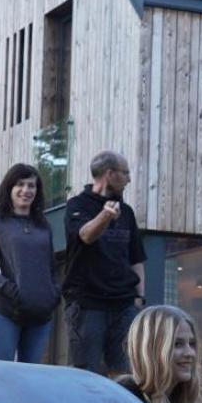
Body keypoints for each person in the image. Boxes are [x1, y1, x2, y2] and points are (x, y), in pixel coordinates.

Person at [63, 151, 144, 376]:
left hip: (124, 305)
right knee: (86, 374)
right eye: (125, 173)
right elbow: (85, 235)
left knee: (126, 375)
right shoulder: (76, 205)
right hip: (88, 304)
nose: (129, 179)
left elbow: (136, 257)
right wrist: (106, 216)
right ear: (109, 174)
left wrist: (139, 298)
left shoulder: (127, 212)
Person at [0, 163, 59, 363]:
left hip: (40, 316)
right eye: (20, 185)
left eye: (31, 185)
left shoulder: (43, 225)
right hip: (7, 313)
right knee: (2, 377)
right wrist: (9, 289)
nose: (26, 190)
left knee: (30, 380)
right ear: (10, 189)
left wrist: (54, 293)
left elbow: (51, 266)